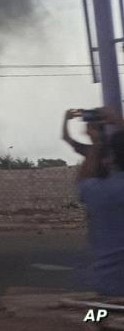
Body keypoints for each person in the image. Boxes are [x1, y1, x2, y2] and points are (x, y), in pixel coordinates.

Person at [77, 107, 124, 295]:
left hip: (108, 289)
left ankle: (94, 319)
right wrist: (118, 121)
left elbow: (83, 180)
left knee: (93, 317)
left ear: (111, 159)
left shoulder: (98, 191)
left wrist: (96, 143)